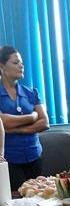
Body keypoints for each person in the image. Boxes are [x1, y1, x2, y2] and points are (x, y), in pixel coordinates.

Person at [0, 46, 49, 190]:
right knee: (15, 203)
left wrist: (18, 129)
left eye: (21, 62)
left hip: (34, 155)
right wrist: (32, 116)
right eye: (15, 63)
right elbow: (3, 122)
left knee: (37, 199)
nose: (21, 65)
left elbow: (45, 122)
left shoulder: (31, 92)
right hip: (9, 160)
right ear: (2, 66)